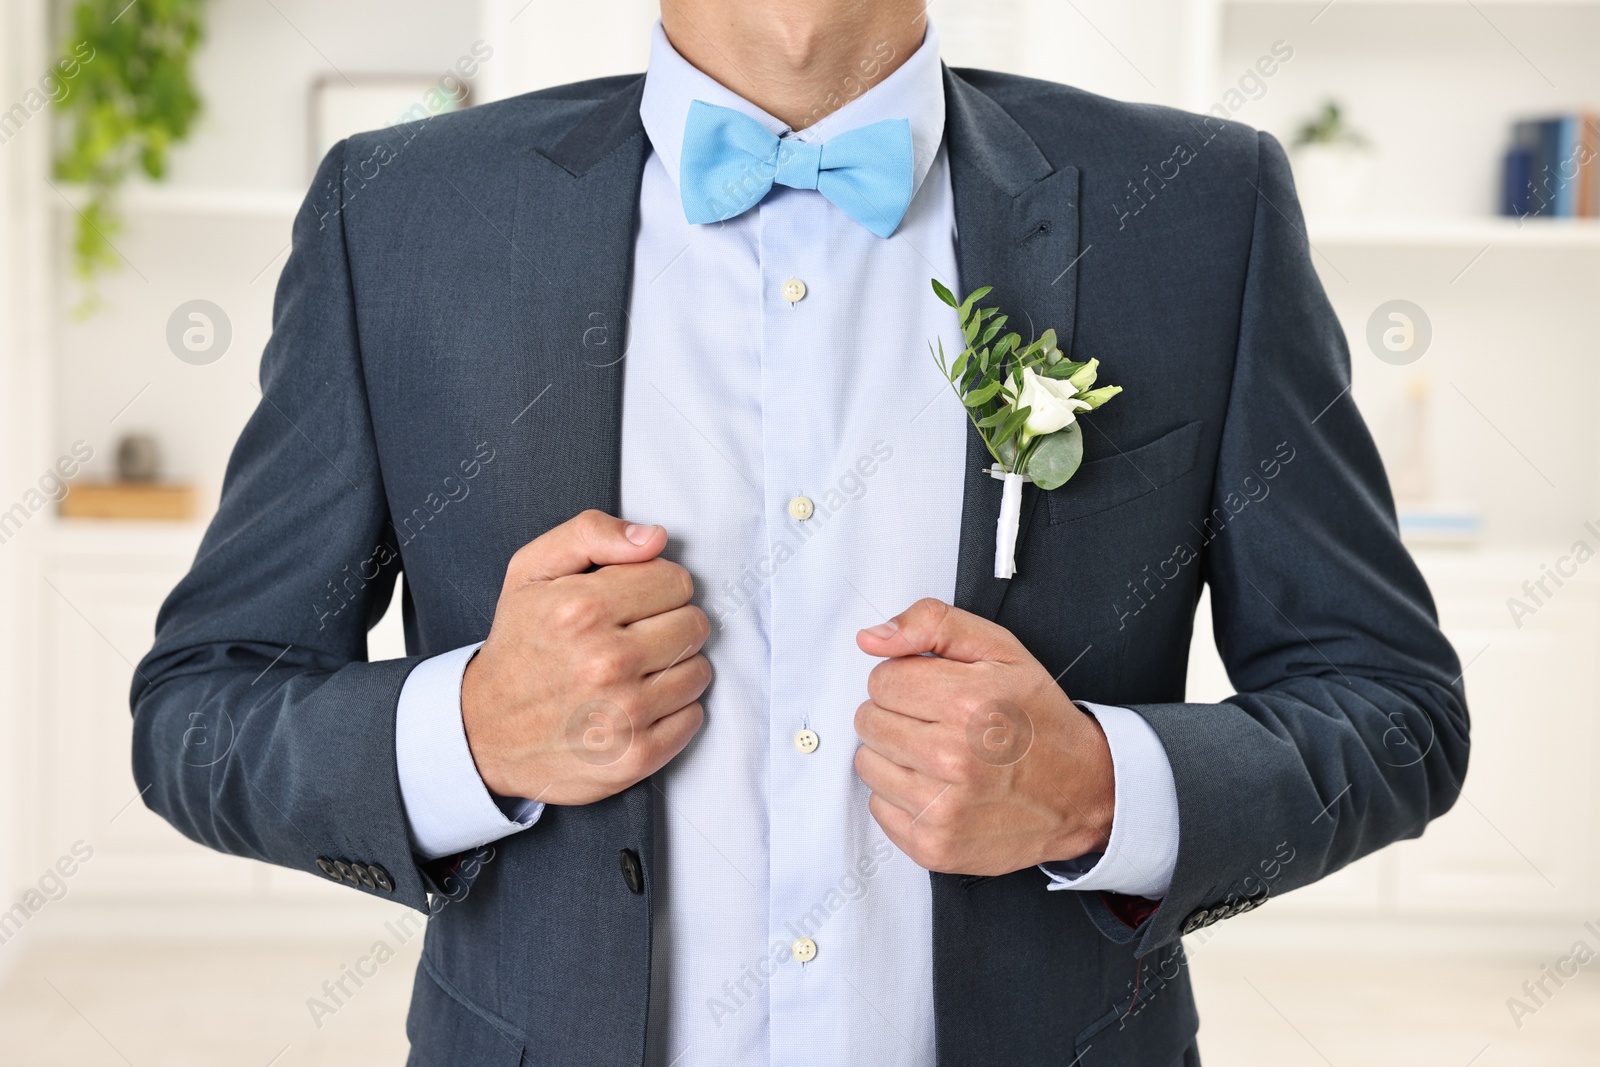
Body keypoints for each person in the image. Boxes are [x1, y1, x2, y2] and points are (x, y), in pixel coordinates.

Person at [131, 2, 1469, 1064]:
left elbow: (1396, 712)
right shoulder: (404, 216)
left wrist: (1106, 788)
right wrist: (468, 731)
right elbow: (200, 715)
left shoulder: (1195, 208)